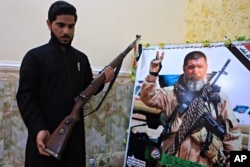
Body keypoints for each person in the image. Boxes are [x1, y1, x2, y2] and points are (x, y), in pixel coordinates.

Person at [16, 1, 114, 167]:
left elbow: (88, 90)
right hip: (46, 136)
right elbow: (26, 98)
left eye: (71, 26)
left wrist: (103, 80)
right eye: (60, 25)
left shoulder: (81, 58)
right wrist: (39, 129)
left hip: (74, 138)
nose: (66, 31)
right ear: (49, 24)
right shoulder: (34, 57)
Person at [140, 51, 242, 167]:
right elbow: (148, 97)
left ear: (206, 68)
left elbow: (233, 134)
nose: (195, 71)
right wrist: (153, 74)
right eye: (191, 67)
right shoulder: (171, 94)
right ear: (184, 69)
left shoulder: (218, 98)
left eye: (200, 67)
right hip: (171, 161)